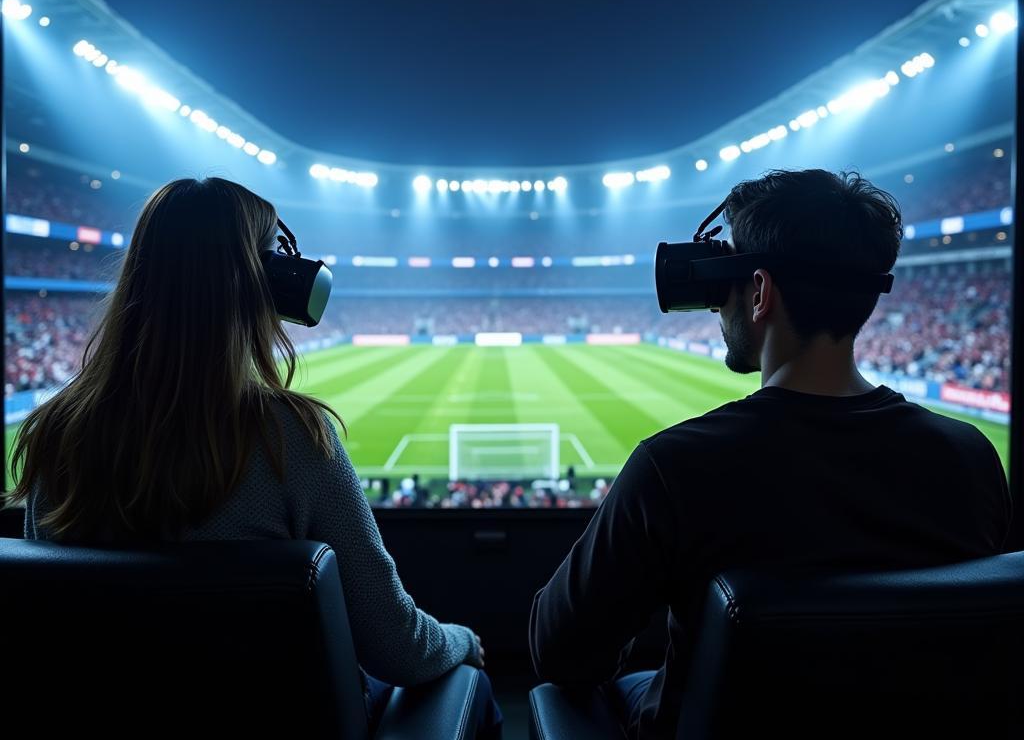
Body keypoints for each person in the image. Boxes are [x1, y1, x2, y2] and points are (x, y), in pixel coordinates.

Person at [6, 177, 501, 738]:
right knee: (471, 684)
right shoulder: (289, 435)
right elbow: (397, 647)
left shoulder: (55, 433)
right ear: (259, 284)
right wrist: (462, 639)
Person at [529, 169, 1011, 740]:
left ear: (760, 293)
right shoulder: (971, 458)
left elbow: (560, 652)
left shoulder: (677, 466)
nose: (717, 305)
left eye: (725, 278)